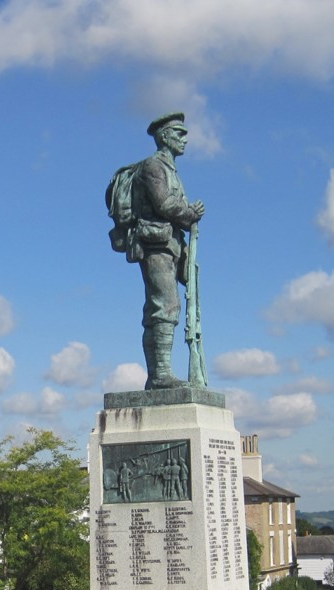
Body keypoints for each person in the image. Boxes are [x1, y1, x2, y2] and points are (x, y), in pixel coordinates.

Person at [129, 112, 205, 389]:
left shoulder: (171, 169)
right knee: (165, 305)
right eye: (178, 132)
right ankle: (160, 375)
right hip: (156, 244)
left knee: (163, 305)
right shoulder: (153, 166)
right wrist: (189, 213)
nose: (184, 138)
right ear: (163, 136)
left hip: (170, 246)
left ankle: (158, 375)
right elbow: (164, 205)